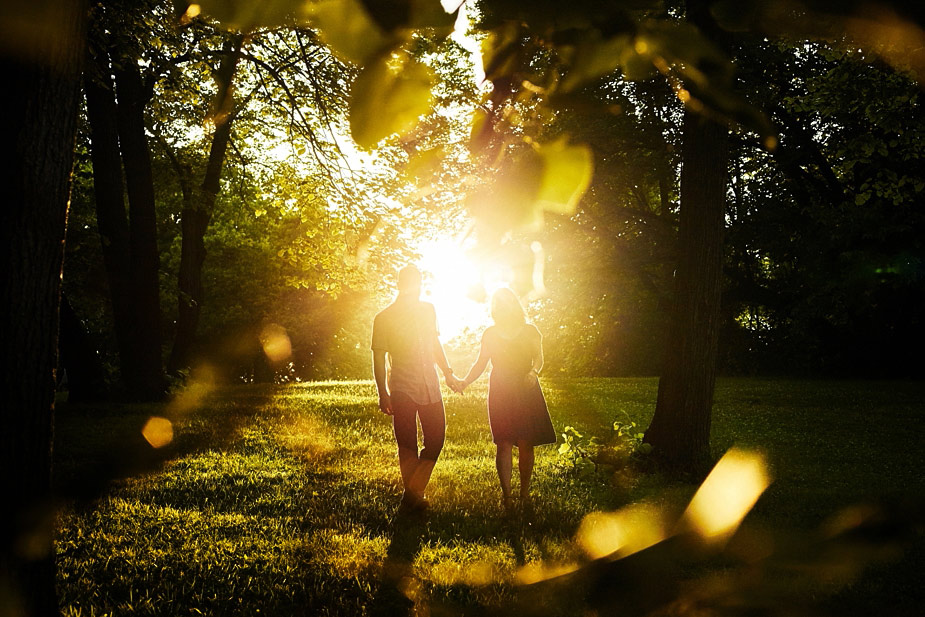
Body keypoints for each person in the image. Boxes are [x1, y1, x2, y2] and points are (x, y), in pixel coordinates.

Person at [372, 265, 463, 513]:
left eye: (419, 283)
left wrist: (448, 373)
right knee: (407, 444)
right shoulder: (384, 317)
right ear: (400, 285)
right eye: (411, 283)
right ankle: (415, 496)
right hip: (402, 385)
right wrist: (383, 393)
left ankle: (413, 491)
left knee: (436, 439)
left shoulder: (428, 310)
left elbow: (434, 343)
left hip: (430, 383)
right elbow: (378, 358)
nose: (416, 288)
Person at [458, 287, 556, 511]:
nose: (504, 307)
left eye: (507, 303)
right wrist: (464, 382)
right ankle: (508, 497)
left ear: (515, 305)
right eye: (499, 304)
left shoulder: (531, 331)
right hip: (500, 390)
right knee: (503, 442)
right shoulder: (490, 333)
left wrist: (533, 373)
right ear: (495, 309)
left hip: (525, 388)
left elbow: (539, 359)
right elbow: (480, 363)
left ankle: (524, 493)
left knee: (525, 442)